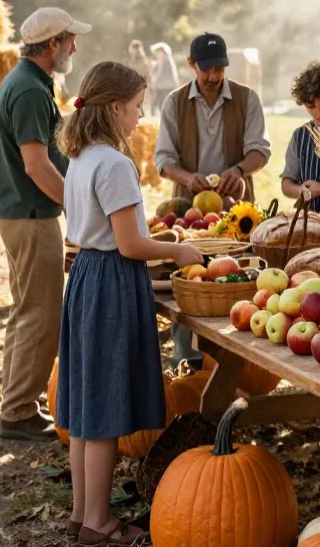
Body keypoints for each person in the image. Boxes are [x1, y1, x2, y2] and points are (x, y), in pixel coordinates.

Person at [55, 62, 203, 545]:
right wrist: (179, 249)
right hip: (111, 283)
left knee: (85, 409)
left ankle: (83, 513)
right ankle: (100, 522)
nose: (141, 115)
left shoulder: (81, 158)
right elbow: (130, 246)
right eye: (138, 105)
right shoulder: (115, 164)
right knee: (102, 412)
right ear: (116, 106)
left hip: (84, 277)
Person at [0, 7, 90, 440]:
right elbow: (36, 165)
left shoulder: (28, 82)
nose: (74, 46)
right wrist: (77, 203)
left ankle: (17, 403)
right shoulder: (30, 90)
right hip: (31, 215)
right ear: (52, 44)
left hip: (18, 213)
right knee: (43, 314)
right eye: (69, 39)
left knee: (26, 310)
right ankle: (17, 414)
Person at [154, 31, 270, 367]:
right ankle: (186, 357)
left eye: (219, 68)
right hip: (188, 213)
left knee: (234, 278)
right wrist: (188, 178)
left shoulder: (248, 99)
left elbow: (260, 151)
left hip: (238, 209)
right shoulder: (174, 103)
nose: (214, 76)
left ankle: (235, 361)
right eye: (206, 69)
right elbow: (163, 160)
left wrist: (239, 169)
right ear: (191, 65)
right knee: (190, 280)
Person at [280, 60, 320, 217]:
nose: (317, 113)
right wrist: (300, 190)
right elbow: (286, 184)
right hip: (310, 223)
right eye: (311, 107)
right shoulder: (299, 136)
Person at [149, 42, 179, 115]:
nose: (157, 53)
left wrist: (154, 80)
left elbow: (159, 72)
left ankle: (161, 116)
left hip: (164, 85)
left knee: (161, 102)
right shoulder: (167, 58)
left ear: (162, 51)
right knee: (162, 101)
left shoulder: (164, 59)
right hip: (167, 84)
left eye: (158, 51)